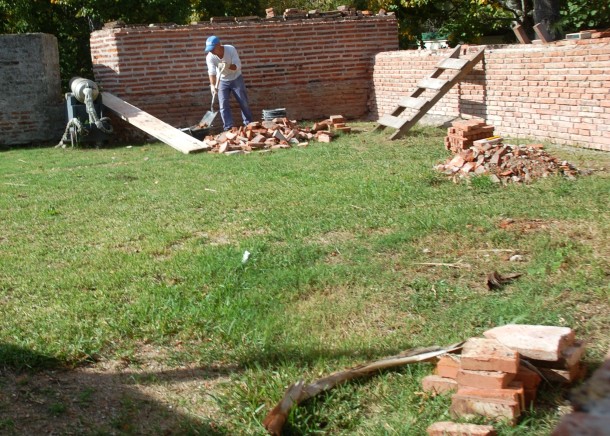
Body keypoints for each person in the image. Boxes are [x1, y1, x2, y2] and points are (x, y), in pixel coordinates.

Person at [204, 35, 253, 131]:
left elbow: (238, 66)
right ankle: (228, 127)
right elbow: (212, 72)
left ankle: (249, 124)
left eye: (212, 48)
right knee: (223, 105)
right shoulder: (210, 57)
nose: (211, 51)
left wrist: (227, 66)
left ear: (218, 45)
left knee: (243, 102)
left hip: (236, 78)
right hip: (222, 80)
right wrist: (213, 85)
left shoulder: (230, 49)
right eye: (209, 49)